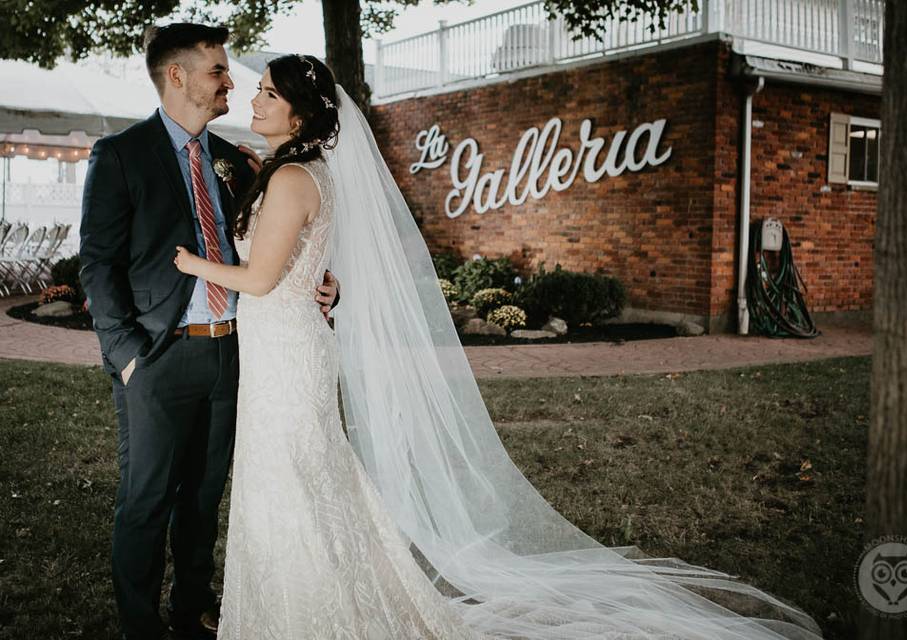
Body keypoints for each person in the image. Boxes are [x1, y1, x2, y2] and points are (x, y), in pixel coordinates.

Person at [174, 50, 825, 640]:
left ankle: (309, 613)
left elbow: (259, 278)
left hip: (288, 355)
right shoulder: (299, 171)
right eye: (257, 91)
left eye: (266, 94)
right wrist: (324, 282)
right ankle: (303, 605)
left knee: (293, 475)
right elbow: (294, 264)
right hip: (285, 347)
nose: (254, 102)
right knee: (297, 476)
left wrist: (189, 263)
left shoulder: (293, 179)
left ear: (298, 111)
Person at [78, 24, 338, 640]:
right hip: (159, 355)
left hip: (234, 351)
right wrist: (128, 355)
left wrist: (324, 281)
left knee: (204, 497)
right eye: (219, 70)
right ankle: (141, 625)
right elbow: (98, 263)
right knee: (147, 499)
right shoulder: (121, 155)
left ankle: (192, 607)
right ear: (179, 76)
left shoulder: (233, 157)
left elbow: (272, 243)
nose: (230, 81)